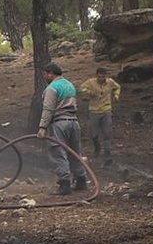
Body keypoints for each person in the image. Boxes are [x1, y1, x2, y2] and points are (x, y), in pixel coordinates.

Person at [36, 62, 88, 195]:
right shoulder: (69, 85)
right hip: (74, 122)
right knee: (75, 152)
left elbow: (48, 109)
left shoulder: (52, 88)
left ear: (50, 73)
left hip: (60, 123)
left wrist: (42, 127)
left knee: (58, 152)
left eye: (45, 74)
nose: (44, 77)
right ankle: (81, 180)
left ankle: (65, 184)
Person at [80, 67, 121, 167]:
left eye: (103, 77)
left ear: (105, 76)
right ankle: (97, 147)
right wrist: (89, 92)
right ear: (96, 76)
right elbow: (82, 88)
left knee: (107, 132)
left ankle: (107, 153)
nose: (101, 78)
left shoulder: (110, 82)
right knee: (94, 134)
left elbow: (117, 87)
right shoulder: (91, 82)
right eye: (99, 77)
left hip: (106, 110)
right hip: (94, 111)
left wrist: (116, 95)